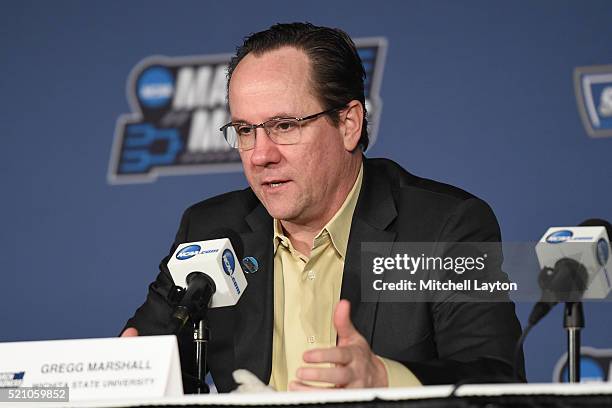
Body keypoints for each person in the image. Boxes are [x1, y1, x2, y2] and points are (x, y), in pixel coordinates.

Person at [122, 22, 524, 393]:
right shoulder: (211, 229)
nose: (260, 155)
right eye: (245, 130)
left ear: (349, 123)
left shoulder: (442, 227)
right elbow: (139, 356)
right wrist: (127, 369)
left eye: (284, 126)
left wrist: (385, 378)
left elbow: (496, 376)